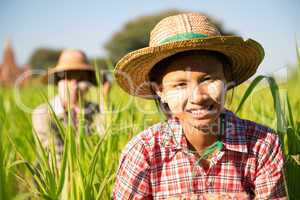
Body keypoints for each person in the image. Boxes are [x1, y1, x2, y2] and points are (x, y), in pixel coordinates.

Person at [112, 13, 287, 199]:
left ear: (227, 80)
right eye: (180, 84)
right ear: (160, 91)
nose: (198, 97)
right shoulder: (143, 151)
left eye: (208, 79)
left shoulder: (262, 144)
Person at [32, 49, 110, 162]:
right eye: (67, 78)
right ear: (58, 82)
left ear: (88, 85)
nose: (74, 85)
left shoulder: (95, 110)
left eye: (80, 79)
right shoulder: (43, 113)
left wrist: (104, 99)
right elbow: (55, 159)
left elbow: (106, 142)